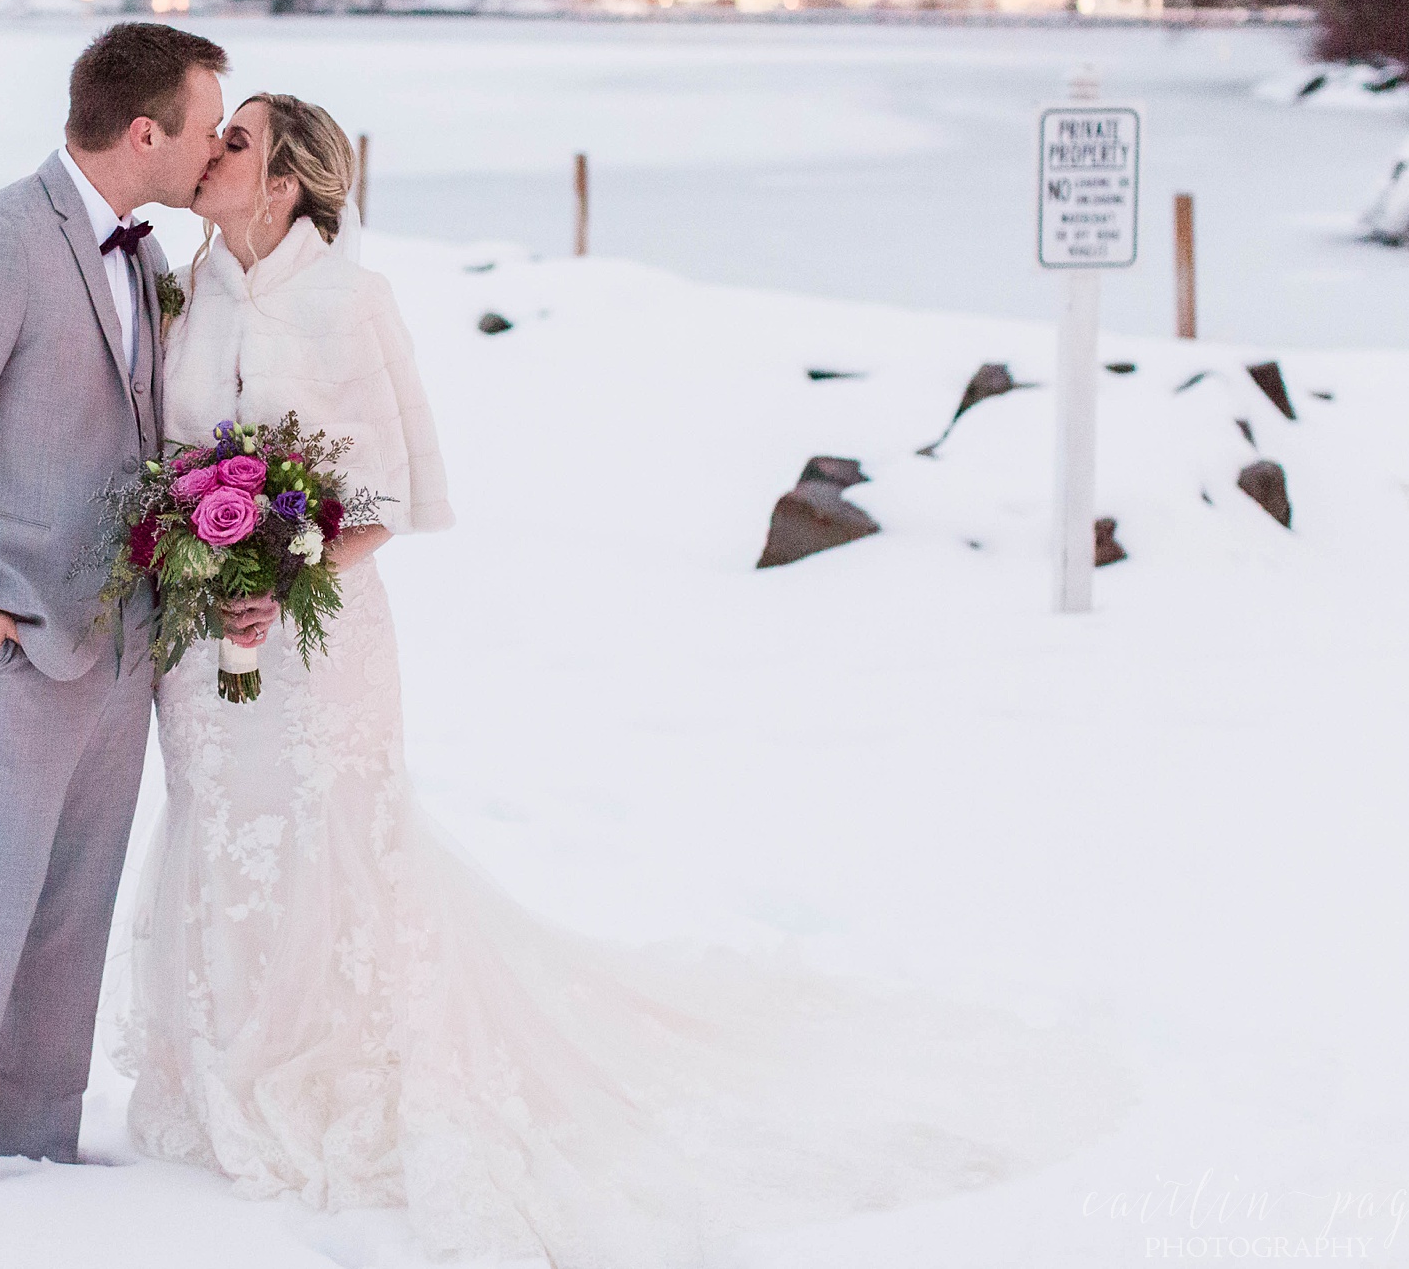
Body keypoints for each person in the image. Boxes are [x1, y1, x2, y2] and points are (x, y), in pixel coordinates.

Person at [113, 92, 1130, 1264]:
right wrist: (196, 553)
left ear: (284, 180)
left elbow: (387, 493)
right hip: (204, 647)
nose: (209, 153)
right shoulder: (187, 290)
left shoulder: (351, 296)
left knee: (327, 835)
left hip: (317, 635)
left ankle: (334, 1061)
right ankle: (227, 1054)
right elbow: (169, 457)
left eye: (233, 140)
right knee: (219, 824)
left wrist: (286, 575)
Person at [0, 23, 276, 1194]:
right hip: (0, 647)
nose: (213, 147)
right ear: (145, 131)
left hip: (118, 648)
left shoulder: (144, 256)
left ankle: (36, 1152)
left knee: (72, 915)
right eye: (206, 126)